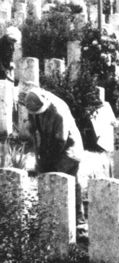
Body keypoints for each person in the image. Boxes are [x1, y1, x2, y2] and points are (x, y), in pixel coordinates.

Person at [21, 88, 85, 218]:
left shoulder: (58, 112)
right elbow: (33, 123)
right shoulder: (32, 100)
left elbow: (60, 140)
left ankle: (77, 221)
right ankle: (48, 217)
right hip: (50, 146)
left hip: (68, 150)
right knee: (45, 179)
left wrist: (48, 161)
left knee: (65, 182)